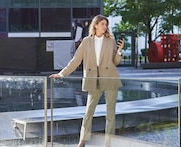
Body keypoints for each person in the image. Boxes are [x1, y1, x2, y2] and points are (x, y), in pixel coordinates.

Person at [49, 15, 124, 147]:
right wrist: (62, 73)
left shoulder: (110, 40)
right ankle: (82, 141)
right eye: (102, 24)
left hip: (110, 78)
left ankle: (108, 143)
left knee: (110, 112)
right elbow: (76, 60)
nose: (105, 27)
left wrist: (119, 51)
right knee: (89, 111)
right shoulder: (86, 41)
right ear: (95, 25)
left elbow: (115, 62)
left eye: (106, 24)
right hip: (93, 79)